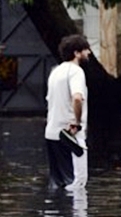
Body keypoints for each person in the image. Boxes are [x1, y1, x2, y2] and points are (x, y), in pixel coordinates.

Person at [44, 34, 91, 191]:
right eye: (85, 50)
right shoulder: (76, 71)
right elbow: (77, 98)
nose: (89, 53)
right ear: (76, 53)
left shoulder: (55, 72)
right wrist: (77, 123)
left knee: (58, 184)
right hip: (70, 135)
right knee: (77, 184)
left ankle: (55, 214)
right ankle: (75, 216)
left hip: (52, 134)